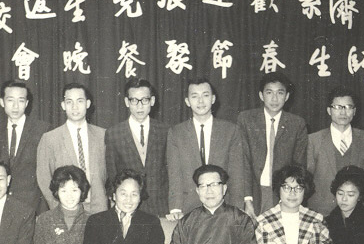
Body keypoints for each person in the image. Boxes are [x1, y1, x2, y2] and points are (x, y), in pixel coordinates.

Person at [166, 78, 245, 220]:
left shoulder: (231, 130)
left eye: (205, 95)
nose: (200, 101)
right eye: (195, 96)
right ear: (187, 101)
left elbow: (236, 173)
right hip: (188, 208)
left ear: (213, 99)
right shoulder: (176, 133)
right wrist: (176, 208)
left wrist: (238, 209)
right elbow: (174, 174)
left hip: (224, 207)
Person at [237, 72, 308, 216]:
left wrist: (290, 196)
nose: (274, 98)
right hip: (255, 192)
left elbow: (299, 165)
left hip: (283, 193)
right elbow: (243, 161)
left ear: (287, 96)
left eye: (280, 93)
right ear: (261, 95)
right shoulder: (246, 119)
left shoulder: (297, 124)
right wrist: (247, 199)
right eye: (269, 92)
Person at [37, 83, 107, 214]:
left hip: (99, 208)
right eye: (69, 102)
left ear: (88, 103)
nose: (75, 107)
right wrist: (58, 207)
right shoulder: (50, 138)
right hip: (66, 210)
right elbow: (43, 178)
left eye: (80, 101)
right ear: (63, 105)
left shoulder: (103, 135)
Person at [307, 87, 364, 216]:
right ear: (329, 110)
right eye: (338, 107)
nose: (343, 112)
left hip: (357, 212)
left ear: (354, 111)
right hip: (321, 212)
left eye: (348, 107)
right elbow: (308, 178)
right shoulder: (313, 140)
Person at [105, 78, 169, 217]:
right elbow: (112, 174)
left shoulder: (165, 130)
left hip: (161, 205)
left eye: (144, 100)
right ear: (127, 102)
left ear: (152, 101)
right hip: (128, 205)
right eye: (134, 100)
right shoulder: (114, 133)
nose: (139, 106)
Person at [0, 80, 50, 213]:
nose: (15, 106)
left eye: (20, 100)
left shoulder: (42, 129)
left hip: (34, 206)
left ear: (26, 103)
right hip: (3, 204)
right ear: (2, 102)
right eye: (10, 100)